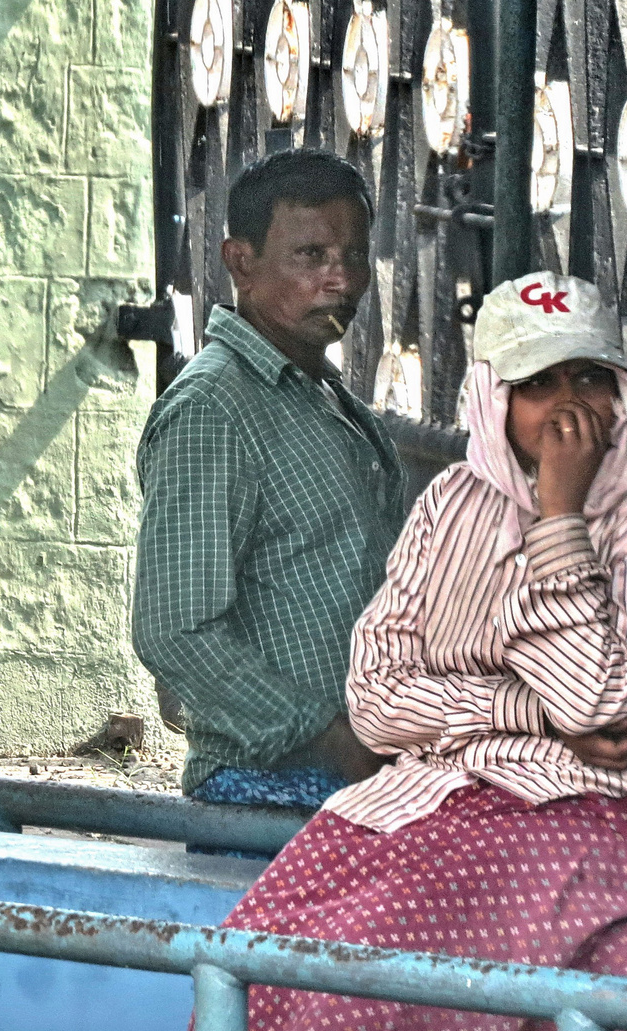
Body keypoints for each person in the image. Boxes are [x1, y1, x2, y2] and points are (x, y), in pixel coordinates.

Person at [178, 271, 627, 1031]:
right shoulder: (451, 504)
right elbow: (375, 701)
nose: (569, 408)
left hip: (602, 820)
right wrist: (530, 714)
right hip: (428, 808)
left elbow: (596, 697)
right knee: (256, 958)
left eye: (589, 378)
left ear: (623, 393)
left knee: (367, 1010)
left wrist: (558, 519)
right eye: (537, 384)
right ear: (490, 400)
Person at [132, 148, 406, 848]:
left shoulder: (326, 400)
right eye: (310, 254)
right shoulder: (214, 409)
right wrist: (331, 737)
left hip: (358, 774)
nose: (340, 279)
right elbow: (175, 629)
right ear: (240, 262)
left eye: (353, 255)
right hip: (265, 787)